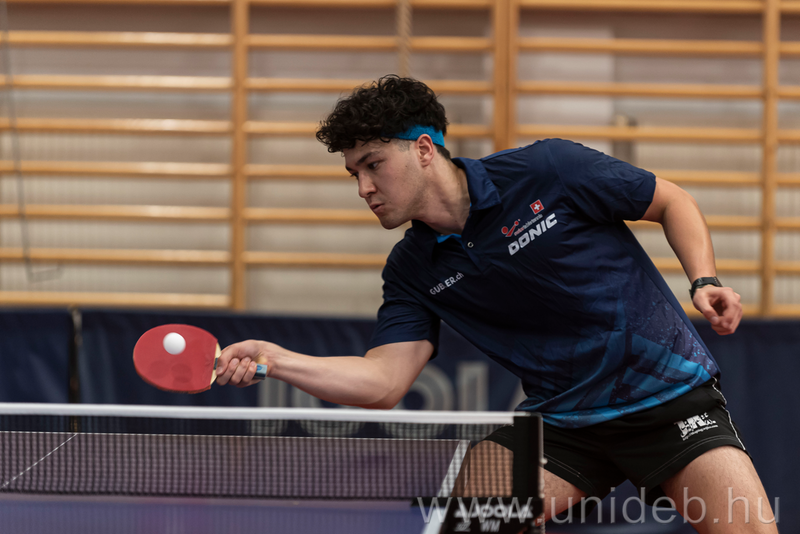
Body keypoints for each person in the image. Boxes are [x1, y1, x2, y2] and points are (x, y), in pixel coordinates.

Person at [215, 75, 777, 532]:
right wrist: (275, 359)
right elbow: (382, 381)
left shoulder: (549, 170)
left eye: (373, 164)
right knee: (470, 522)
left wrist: (704, 279)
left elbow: (671, 201)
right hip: (562, 421)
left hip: (668, 400)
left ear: (424, 149)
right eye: (353, 173)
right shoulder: (412, 269)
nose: (363, 188)